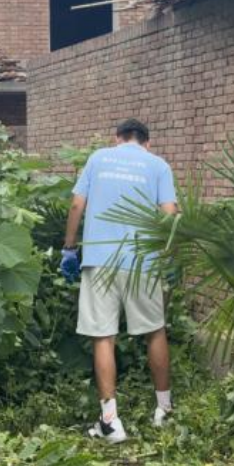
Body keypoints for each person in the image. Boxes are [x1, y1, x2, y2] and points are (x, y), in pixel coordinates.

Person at [61, 119, 177, 444]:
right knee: (155, 331)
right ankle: (164, 410)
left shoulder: (98, 158)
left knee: (103, 336)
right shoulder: (158, 165)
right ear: (147, 143)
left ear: (117, 139)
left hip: (99, 259)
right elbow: (169, 213)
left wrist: (69, 248)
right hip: (144, 261)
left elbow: (76, 203)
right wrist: (169, 257)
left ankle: (111, 423)